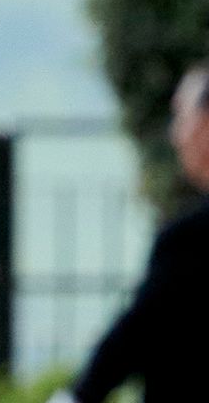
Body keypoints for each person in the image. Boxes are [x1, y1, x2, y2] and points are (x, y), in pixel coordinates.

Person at [59, 61, 209, 403]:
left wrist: (77, 396)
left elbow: (139, 331)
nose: (175, 135)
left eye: (181, 117)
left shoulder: (190, 240)